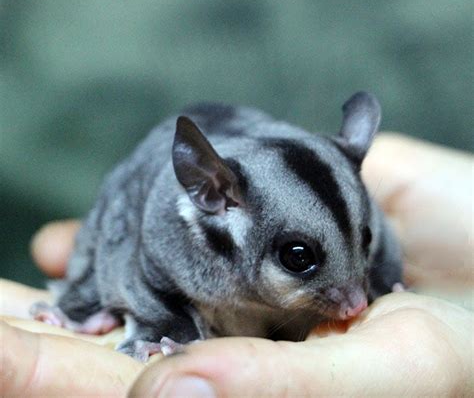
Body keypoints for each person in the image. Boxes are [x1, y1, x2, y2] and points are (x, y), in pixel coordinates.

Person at [1, 133, 472, 397]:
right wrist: (158, 321)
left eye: (360, 240)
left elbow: (364, 221)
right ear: (216, 197)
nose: (352, 303)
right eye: (299, 258)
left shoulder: (344, 193)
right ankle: (85, 304)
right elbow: (137, 264)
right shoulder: (177, 232)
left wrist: (385, 274)